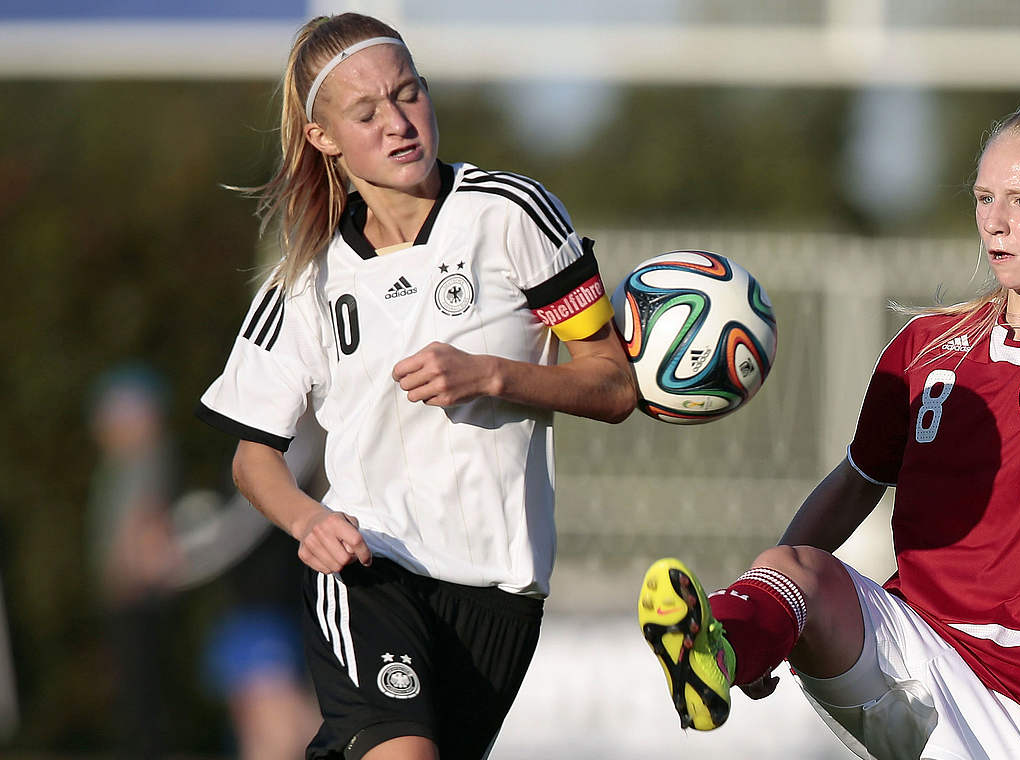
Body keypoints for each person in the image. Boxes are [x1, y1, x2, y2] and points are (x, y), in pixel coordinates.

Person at [637, 94, 1020, 760]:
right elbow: (855, 483)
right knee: (794, 570)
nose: (994, 222)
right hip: (907, 645)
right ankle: (722, 644)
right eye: (983, 198)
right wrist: (770, 621)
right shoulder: (927, 346)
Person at [195, 13, 636, 760]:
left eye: (408, 95)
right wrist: (308, 521)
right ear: (322, 137)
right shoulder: (305, 278)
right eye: (366, 113)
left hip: (502, 593)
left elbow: (613, 383)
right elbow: (253, 458)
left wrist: (493, 375)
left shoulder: (513, 214)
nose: (398, 123)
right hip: (371, 570)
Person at [87, 365, 180, 759]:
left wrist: (127, 568)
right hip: (130, 585)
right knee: (137, 680)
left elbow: (144, 516)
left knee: (140, 681)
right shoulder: (126, 461)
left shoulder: (145, 458)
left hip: (135, 585)